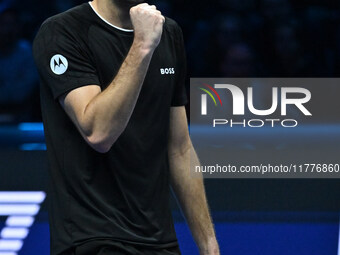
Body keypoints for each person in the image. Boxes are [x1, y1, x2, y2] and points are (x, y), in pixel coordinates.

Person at [33, 0, 219, 255]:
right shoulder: (62, 31)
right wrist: (142, 46)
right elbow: (98, 132)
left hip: (159, 240)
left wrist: (209, 246)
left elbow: (179, 148)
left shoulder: (168, 32)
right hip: (93, 238)